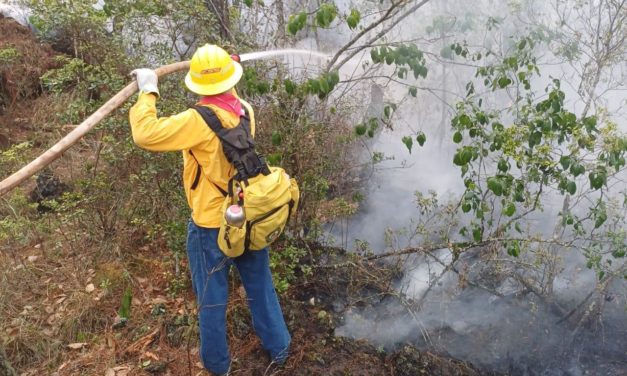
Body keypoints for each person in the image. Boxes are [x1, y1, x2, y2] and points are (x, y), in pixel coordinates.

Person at [129, 44, 291, 376]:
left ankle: (218, 367)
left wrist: (148, 92)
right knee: (260, 284)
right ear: (230, 78)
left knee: (212, 299)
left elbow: (145, 134)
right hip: (247, 216)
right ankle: (280, 347)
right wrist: (224, 72)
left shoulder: (196, 121)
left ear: (197, 84)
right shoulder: (244, 109)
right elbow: (225, 103)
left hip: (210, 227)